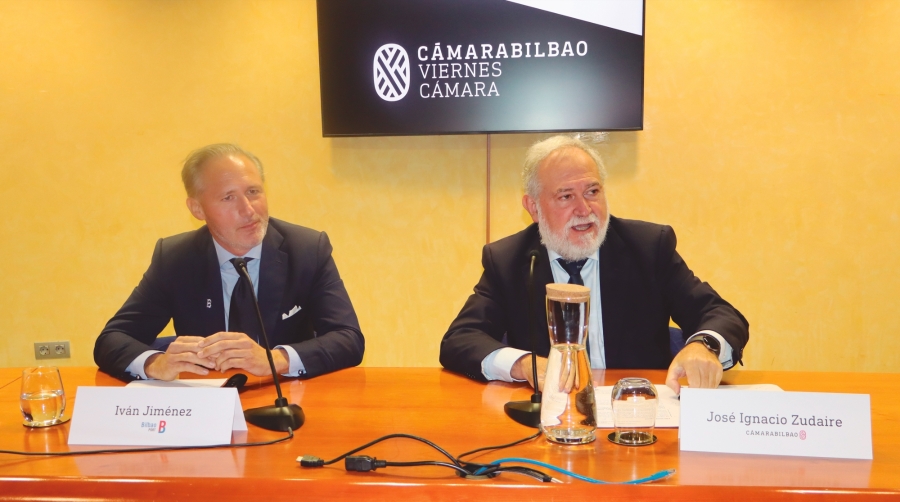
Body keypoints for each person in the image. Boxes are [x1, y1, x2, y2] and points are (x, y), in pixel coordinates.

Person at [440, 136, 748, 393]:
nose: (585, 209)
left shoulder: (648, 247)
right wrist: (526, 366)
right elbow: (460, 339)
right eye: (566, 196)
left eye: (592, 191)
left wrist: (703, 345)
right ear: (533, 208)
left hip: (637, 413)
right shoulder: (509, 259)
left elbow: (721, 314)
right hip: (552, 418)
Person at [94, 144, 364, 381]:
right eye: (228, 197)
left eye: (254, 191)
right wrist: (155, 364)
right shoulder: (176, 259)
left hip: (289, 399)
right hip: (209, 405)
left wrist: (275, 360)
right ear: (197, 209)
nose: (248, 210)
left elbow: (348, 338)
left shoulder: (306, 249)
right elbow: (112, 339)